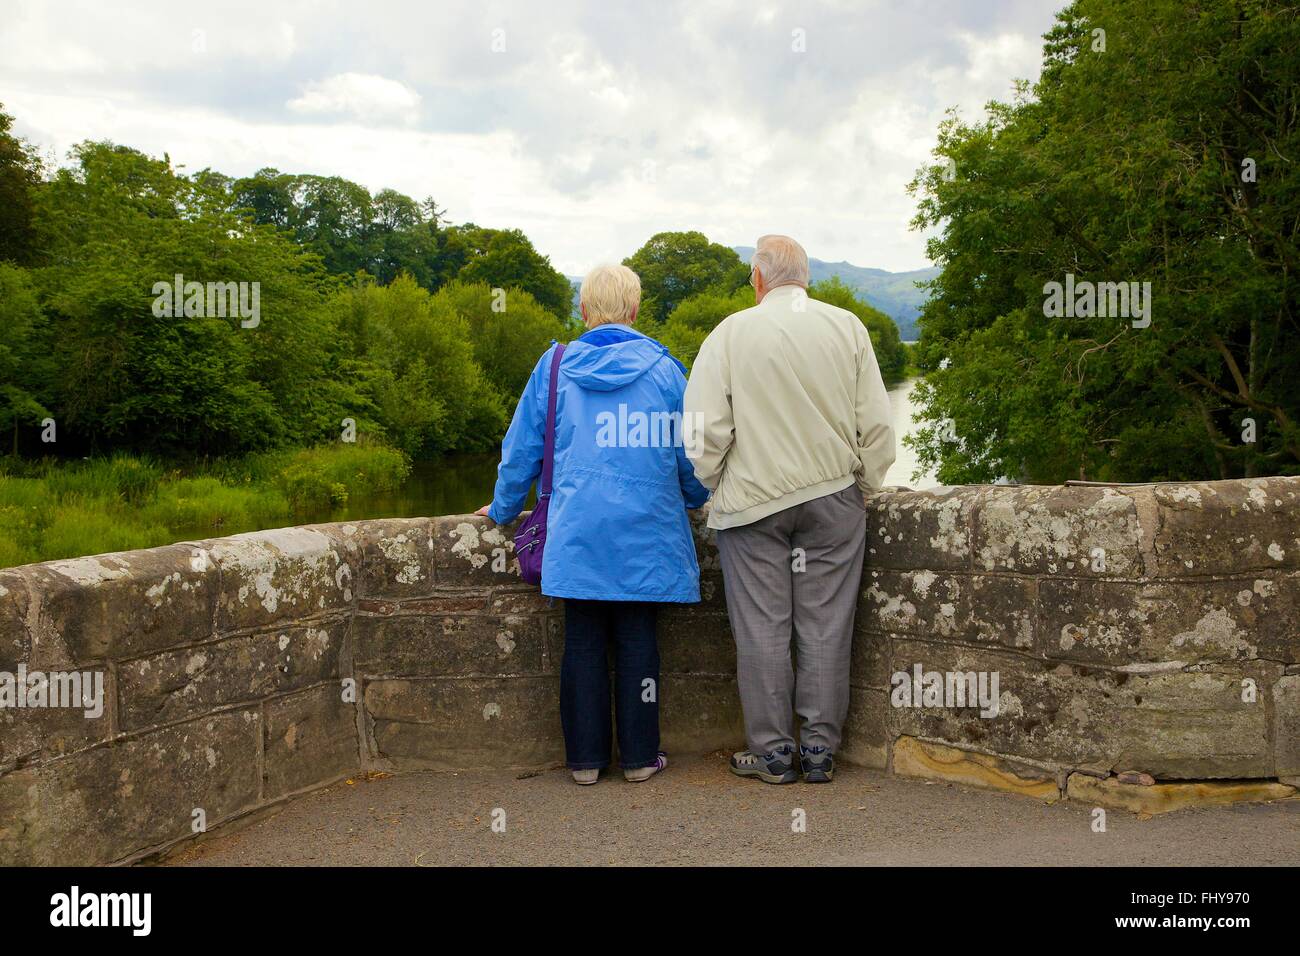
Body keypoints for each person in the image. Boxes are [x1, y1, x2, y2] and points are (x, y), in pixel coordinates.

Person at [477, 263, 709, 785]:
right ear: (635, 309)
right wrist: (696, 497)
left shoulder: (555, 366)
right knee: (636, 638)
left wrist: (500, 508)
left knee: (581, 639)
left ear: (584, 311)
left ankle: (583, 762)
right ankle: (640, 759)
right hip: (645, 531)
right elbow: (691, 456)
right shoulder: (668, 371)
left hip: (577, 529)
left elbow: (521, 451)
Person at [683, 234, 895, 784]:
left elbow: (703, 430)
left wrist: (714, 481)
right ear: (807, 278)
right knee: (826, 626)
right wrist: (864, 484)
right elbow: (875, 423)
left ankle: (774, 753)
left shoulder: (730, 333)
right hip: (831, 499)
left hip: (752, 504)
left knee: (762, 629)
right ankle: (821, 751)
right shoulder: (846, 326)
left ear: (758, 279)